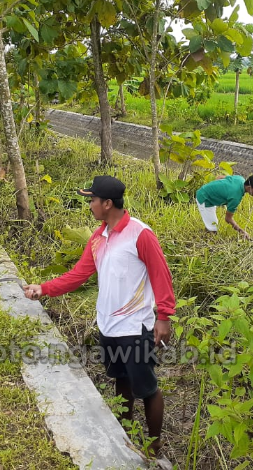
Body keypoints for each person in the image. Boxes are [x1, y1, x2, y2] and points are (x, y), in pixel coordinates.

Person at [23, 175, 175, 458]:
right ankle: (125, 430)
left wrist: (164, 316)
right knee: (121, 378)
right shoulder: (98, 237)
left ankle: (154, 446)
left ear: (107, 203)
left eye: (92, 200)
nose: (89, 205)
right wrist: (43, 288)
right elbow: (79, 274)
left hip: (134, 326)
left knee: (147, 387)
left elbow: (161, 275)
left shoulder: (140, 234)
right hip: (109, 325)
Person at [195, 174, 253, 239]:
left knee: (211, 223)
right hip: (204, 199)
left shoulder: (240, 179)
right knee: (213, 229)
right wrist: (242, 232)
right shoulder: (235, 197)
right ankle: (203, 242)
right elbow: (228, 219)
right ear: (249, 187)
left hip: (206, 192)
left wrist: (217, 191)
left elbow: (220, 177)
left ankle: (206, 233)